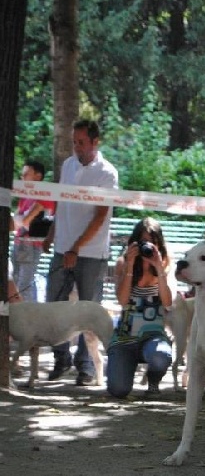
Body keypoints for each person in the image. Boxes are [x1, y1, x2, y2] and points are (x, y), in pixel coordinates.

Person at [43, 119, 119, 386]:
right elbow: (61, 204)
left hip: (91, 252)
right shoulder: (67, 165)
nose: (76, 147)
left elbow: (100, 216)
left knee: (89, 310)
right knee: (54, 304)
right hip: (62, 247)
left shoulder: (107, 173)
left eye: (81, 142)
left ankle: (86, 366)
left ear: (95, 142)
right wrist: (52, 235)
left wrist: (76, 247)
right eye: (74, 142)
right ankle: (60, 359)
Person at [107, 217, 173, 398]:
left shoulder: (165, 263)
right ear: (135, 242)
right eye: (144, 242)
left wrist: (159, 269)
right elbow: (122, 300)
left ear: (159, 243)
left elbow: (168, 303)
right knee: (118, 390)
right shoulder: (123, 262)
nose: (148, 247)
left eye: (153, 242)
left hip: (154, 336)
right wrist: (129, 265)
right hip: (125, 338)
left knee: (161, 356)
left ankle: (153, 381)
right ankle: (120, 363)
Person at [12, 160, 55, 302]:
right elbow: (17, 219)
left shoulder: (44, 195)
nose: (22, 178)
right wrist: (21, 220)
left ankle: (28, 315)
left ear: (38, 176)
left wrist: (21, 220)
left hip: (31, 244)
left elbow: (24, 220)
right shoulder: (25, 194)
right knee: (17, 281)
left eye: (26, 175)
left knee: (25, 283)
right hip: (19, 241)